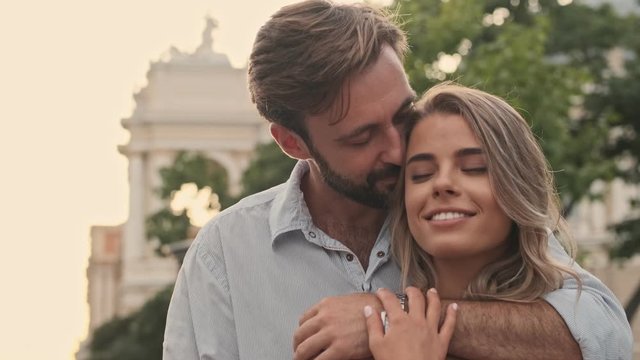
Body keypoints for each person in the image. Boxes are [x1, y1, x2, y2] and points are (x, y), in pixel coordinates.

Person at [163, 1, 632, 359]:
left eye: (402, 114)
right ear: (293, 142)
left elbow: (602, 334)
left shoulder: (460, 218)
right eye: (362, 136)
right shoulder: (224, 254)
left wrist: (389, 318)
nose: (397, 148)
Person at [361, 83, 593, 359]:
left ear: (518, 185)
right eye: (422, 174)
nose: (442, 183)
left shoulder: (570, 331)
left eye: (474, 169)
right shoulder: (367, 331)